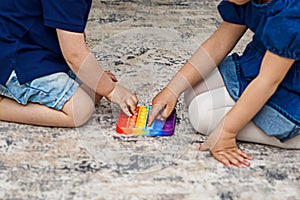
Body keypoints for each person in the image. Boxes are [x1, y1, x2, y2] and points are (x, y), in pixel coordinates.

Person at [148, 0, 300, 168]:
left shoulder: (291, 14)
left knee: (203, 116)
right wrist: (172, 90)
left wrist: (227, 132)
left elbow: (268, 81)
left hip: (288, 86)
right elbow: (217, 44)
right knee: (194, 89)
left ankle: (292, 136)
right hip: (267, 63)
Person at [0, 0, 138, 127]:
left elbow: (72, 29)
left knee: (93, 89)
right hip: (13, 59)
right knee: (80, 109)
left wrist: (97, 79)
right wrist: (111, 90)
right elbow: (74, 54)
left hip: (35, 46)